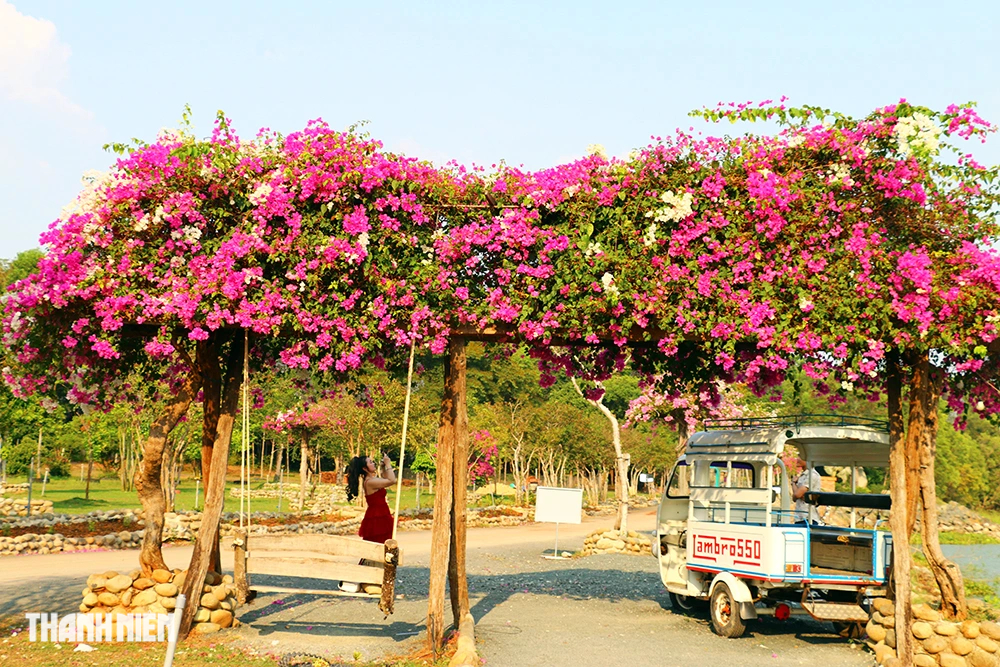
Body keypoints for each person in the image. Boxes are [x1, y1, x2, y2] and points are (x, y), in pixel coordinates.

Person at [346, 453, 397, 544]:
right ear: (365, 468)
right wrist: (388, 464)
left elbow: (386, 478)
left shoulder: (372, 480)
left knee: (386, 542)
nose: (373, 463)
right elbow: (392, 480)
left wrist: (383, 467)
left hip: (382, 513)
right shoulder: (370, 482)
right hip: (377, 516)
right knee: (380, 542)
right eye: (370, 462)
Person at [791, 456, 822, 524]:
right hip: (799, 517)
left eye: (800, 457)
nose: (797, 459)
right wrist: (794, 484)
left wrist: (793, 483)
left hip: (809, 517)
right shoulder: (803, 476)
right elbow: (794, 497)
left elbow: (797, 494)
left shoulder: (812, 475)